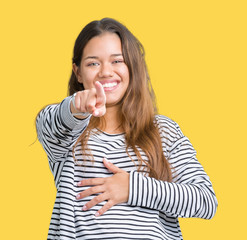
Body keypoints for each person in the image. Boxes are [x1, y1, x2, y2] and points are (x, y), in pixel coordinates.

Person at [35, 18, 217, 239]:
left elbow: (205, 201)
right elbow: (55, 120)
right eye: (93, 63)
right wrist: (76, 107)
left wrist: (133, 188)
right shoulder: (65, 132)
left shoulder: (163, 131)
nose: (106, 72)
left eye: (117, 61)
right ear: (78, 72)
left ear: (132, 65)